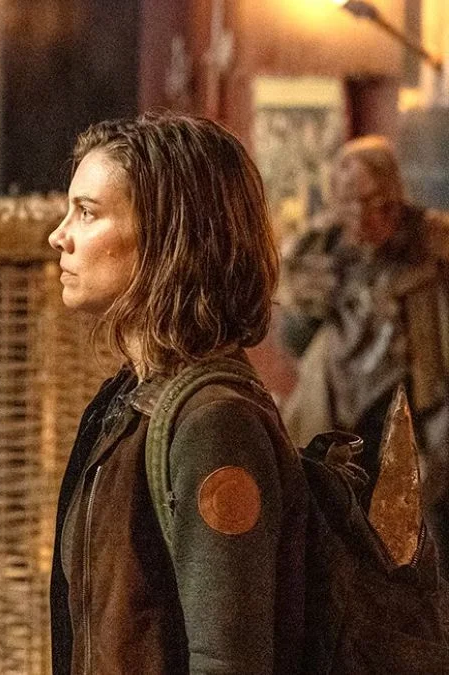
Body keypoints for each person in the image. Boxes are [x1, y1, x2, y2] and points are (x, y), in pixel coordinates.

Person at [48, 114, 306, 673]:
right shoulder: (130, 400)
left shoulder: (215, 424)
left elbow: (229, 660)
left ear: (167, 238)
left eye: (87, 212)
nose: (59, 235)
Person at [280, 135, 449, 577]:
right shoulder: (322, 249)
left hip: (419, 405)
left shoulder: (430, 242)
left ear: (393, 195)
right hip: (343, 409)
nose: (360, 215)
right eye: (347, 203)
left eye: (372, 202)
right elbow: (294, 340)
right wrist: (308, 305)